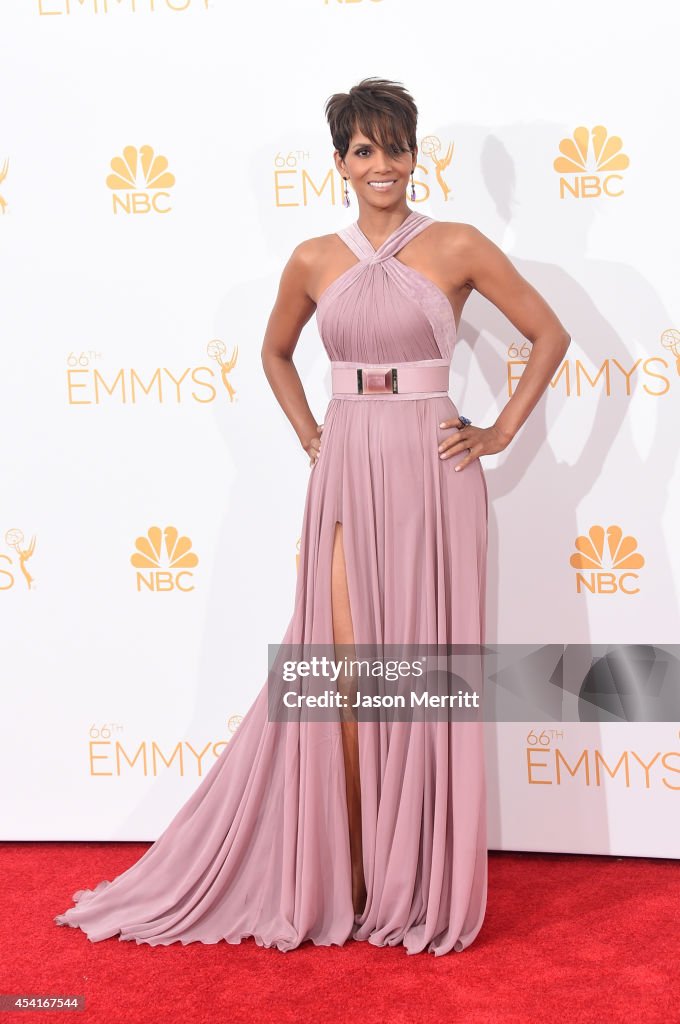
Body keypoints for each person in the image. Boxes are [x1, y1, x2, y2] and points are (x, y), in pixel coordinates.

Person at [54, 77, 570, 956]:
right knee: (333, 670)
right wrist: (308, 434)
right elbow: (274, 351)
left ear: (416, 154)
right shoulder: (311, 259)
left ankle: (404, 873)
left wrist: (498, 433)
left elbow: (549, 334)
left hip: (432, 471)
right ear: (338, 164)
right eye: (363, 151)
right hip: (345, 468)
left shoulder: (457, 245)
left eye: (396, 147)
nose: (382, 165)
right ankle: (350, 865)